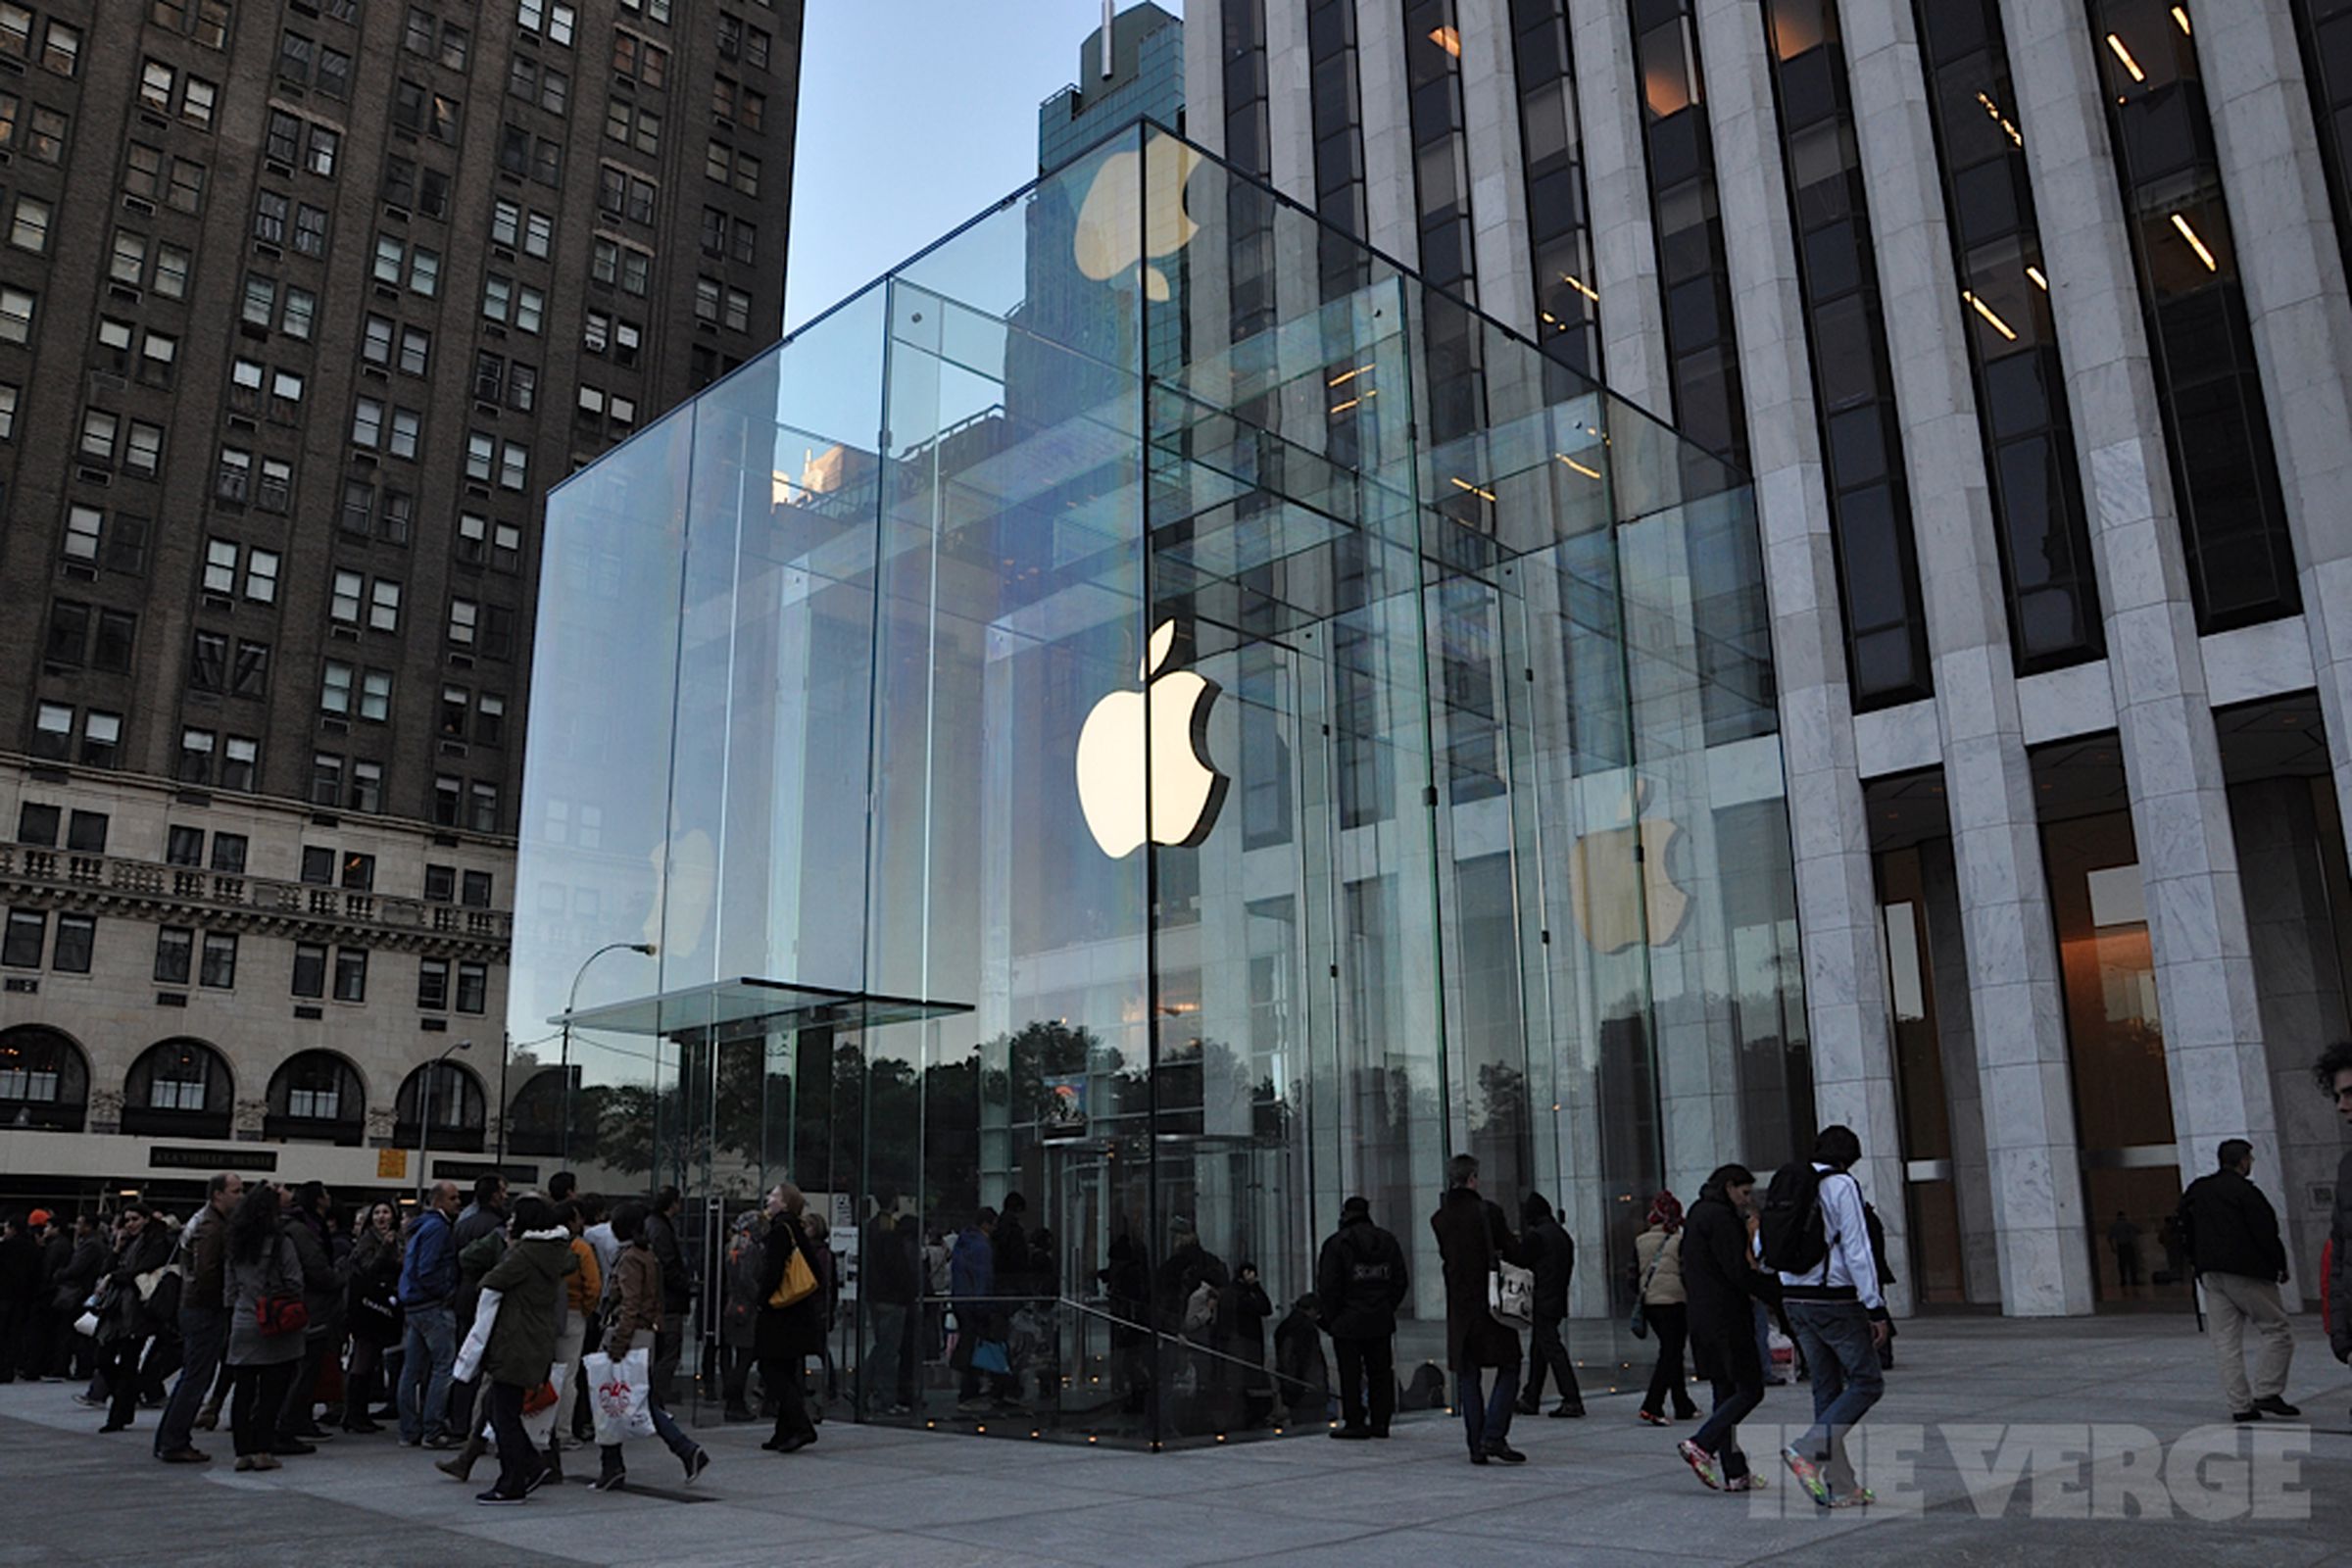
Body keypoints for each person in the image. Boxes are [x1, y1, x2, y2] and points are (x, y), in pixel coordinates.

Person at [1769, 1124, 1888, 1508]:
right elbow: (1857, 1247)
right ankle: (1807, 1450)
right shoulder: (1841, 1185)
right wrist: (1875, 1305)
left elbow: (1762, 1244)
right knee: (1868, 1382)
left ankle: (1841, 1485)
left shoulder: (1789, 1182)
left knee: (1826, 1388)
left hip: (1792, 1298)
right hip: (1833, 1299)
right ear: (1848, 1157)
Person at [587, 1197, 707, 1491]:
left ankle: (614, 1465)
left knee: (613, 1398)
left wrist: (618, 1343)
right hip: (646, 1334)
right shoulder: (647, 1254)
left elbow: (630, 1303)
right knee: (638, 1398)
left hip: (627, 1335)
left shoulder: (628, 1258)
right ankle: (683, 1451)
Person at [2178, 1139, 2297, 1421]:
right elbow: (2265, 1231)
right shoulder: (2245, 1192)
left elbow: (2182, 1227)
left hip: (2210, 1273)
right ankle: (2268, 1390)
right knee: (2277, 1329)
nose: (2251, 1164)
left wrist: (2196, 1262)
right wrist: (2278, 1265)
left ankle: (2240, 1406)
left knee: (2225, 1341)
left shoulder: (2198, 1190)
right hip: (2246, 1271)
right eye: (2250, 1159)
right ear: (2243, 1160)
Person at [1677, 1163, 1780, 1493]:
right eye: (1744, 1192)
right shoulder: (1721, 1218)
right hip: (1727, 1315)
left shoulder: (1698, 1213)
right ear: (1729, 1187)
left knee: (1725, 1392)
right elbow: (1737, 1269)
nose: (1746, 1200)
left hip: (1703, 1314)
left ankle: (1736, 1472)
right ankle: (1701, 1443)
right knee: (1751, 1388)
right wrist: (1773, 1292)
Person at [470, 1195, 573, 1505]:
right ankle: (532, 1465)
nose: (510, 1221)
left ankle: (513, 1480)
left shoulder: (524, 1254)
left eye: (515, 1216)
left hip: (515, 1340)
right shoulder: (554, 1253)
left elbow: (490, 1281)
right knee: (502, 1408)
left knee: (505, 1414)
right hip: (535, 1338)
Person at [1429, 1153, 1525, 1466]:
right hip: (1491, 1301)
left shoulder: (1440, 1218)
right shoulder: (1487, 1212)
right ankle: (1494, 1434)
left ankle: (1476, 1444)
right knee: (1510, 1364)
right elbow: (1513, 1251)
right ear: (1472, 1178)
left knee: (1468, 1375)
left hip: (1460, 1307)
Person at [155, 1174, 241, 1462]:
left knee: (193, 1376)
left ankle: (170, 1437)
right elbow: (206, 1273)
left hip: (196, 1307)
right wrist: (224, 1299)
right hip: (203, 1309)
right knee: (196, 1377)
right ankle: (174, 1440)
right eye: (235, 1191)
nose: (239, 1196)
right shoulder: (211, 1227)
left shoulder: (204, 1220)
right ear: (218, 1194)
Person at [222, 1185, 305, 1472]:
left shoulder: (236, 1241)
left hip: (243, 1319)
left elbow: (229, 1288)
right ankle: (263, 1449)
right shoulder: (281, 1242)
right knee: (272, 1390)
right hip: (274, 1321)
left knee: (243, 1389)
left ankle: (241, 1451)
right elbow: (295, 1281)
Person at [1315, 1195, 1407, 1441]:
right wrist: (1386, 1307)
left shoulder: (1336, 1244)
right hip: (1379, 1319)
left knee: (1350, 1373)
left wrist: (1334, 1318)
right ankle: (1381, 1421)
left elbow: (1328, 1286)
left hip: (1348, 1321)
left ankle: (1355, 1421)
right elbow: (1400, 1281)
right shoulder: (1387, 1241)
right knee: (1381, 1372)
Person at [756, 1184, 823, 1454]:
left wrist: (762, 1300)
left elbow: (772, 1271)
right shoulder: (795, 1229)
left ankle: (801, 1426)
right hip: (796, 1312)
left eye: (774, 1195)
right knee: (784, 1370)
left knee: (771, 1370)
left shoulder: (780, 1231)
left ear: (784, 1203)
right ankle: (783, 1432)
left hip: (780, 1312)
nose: (769, 1199)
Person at [277, 1181, 347, 1445]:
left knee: (305, 1367)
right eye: (326, 1194)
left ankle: (299, 1418)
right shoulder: (304, 1230)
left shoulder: (298, 1226)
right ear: (318, 1200)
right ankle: (292, 1421)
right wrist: (340, 1275)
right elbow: (318, 1270)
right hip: (313, 1306)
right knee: (306, 1368)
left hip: (308, 1303)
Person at [94, 1204, 173, 1433]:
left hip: (138, 1309)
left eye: (135, 1219)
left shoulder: (156, 1242)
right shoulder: (126, 1243)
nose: (130, 1224)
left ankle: (118, 1415)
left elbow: (141, 1270)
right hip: (116, 1308)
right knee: (104, 1359)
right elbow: (106, 1268)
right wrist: (116, 1250)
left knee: (128, 1362)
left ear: (146, 1219)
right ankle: (127, 1399)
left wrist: (113, 1277)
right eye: (127, 1220)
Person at [398, 1180, 464, 1449]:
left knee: (412, 1368)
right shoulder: (438, 1228)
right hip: (431, 1304)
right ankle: (432, 1429)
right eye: (453, 1198)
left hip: (414, 1303)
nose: (458, 1202)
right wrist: (445, 1291)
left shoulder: (421, 1227)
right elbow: (428, 1268)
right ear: (438, 1202)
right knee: (442, 1366)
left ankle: (409, 1429)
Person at [447, 1174, 508, 1437]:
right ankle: (476, 1422)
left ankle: (458, 1417)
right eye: (503, 1191)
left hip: (464, 1294)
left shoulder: (463, 1224)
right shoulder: (499, 1227)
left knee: (464, 1357)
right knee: (484, 1362)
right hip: (486, 1296)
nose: (506, 1195)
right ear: (495, 1195)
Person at [545, 1199, 600, 1479]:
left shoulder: (545, 1246)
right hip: (575, 1312)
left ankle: (543, 1427)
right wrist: (588, 1309)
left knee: (547, 1372)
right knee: (568, 1374)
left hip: (545, 1313)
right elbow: (593, 1284)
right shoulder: (579, 1248)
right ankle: (564, 1430)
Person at [1516, 1193, 1584, 1419]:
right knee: (1540, 1349)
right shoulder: (1561, 1235)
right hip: (1556, 1298)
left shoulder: (1538, 1237)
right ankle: (1531, 1396)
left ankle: (1571, 1398)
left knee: (1552, 1349)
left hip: (1542, 1299)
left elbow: (1520, 1259)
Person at [1636, 1192, 1697, 1425]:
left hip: (1651, 1302)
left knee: (1671, 1352)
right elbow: (1686, 1272)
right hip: (1674, 1302)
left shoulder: (1640, 1241)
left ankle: (1683, 1404)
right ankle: (1653, 1404)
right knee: (1670, 1353)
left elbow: (1633, 1275)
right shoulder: (1680, 1241)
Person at [342, 1201, 403, 1433]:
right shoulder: (370, 1240)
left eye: (386, 1212)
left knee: (372, 1358)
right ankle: (354, 1413)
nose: (381, 1217)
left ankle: (361, 1412)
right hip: (368, 1304)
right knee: (363, 1357)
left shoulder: (398, 1238)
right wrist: (386, 1249)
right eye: (377, 1213)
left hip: (386, 1304)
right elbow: (369, 1268)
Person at [2316, 1043, 2352, 1405]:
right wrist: (2343, 1340)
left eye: (2350, 1093)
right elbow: (2340, 1260)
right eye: (2339, 1095)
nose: (2343, 1106)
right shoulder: (2347, 1169)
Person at [861, 1197, 919, 1416]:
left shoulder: (872, 1228)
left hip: (877, 1295)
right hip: (892, 1297)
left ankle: (867, 1388)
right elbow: (898, 1266)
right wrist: (909, 1291)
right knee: (887, 1349)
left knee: (883, 1346)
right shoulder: (890, 1231)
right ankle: (879, 1394)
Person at [951, 1206, 1007, 1413]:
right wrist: (985, 1304)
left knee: (969, 1344)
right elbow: (983, 1277)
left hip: (962, 1299)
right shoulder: (982, 1246)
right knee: (977, 1346)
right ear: (987, 1224)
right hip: (975, 1301)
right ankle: (972, 1393)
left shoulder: (963, 1242)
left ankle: (970, 1391)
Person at [645, 1186, 693, 1406]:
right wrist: (685, 1285)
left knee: (664, 1352)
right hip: (669, 1299)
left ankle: (657, 1398)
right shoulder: (661, 1228)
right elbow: (668, 1264)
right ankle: (657, 1401)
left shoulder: (654, 1225)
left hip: (665, 1297)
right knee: (668, 1353)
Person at [1222, 1260, 1275, 1428]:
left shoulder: (1247, 1292)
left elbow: (1266, 1309)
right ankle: (1246, 1416)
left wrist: (1256, 1287)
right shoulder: (1237, 1294)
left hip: (1250, 1342)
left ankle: (1254, 1414)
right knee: (1244, 1381)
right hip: (1242, 1343)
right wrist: (1254, 1288)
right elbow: (1260, 1308)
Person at [2107, 1210, 2141, 1291]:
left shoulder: (2114, 1226)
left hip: (2120, 1246)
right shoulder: (2128, 1224)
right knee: (2132, 1263)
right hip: (2128, 1245)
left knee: (2122, 1264)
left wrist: (2112, 1247)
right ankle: (2134, 1280)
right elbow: (2139, 1230)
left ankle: (2123, 1280)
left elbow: (2109, 1237)